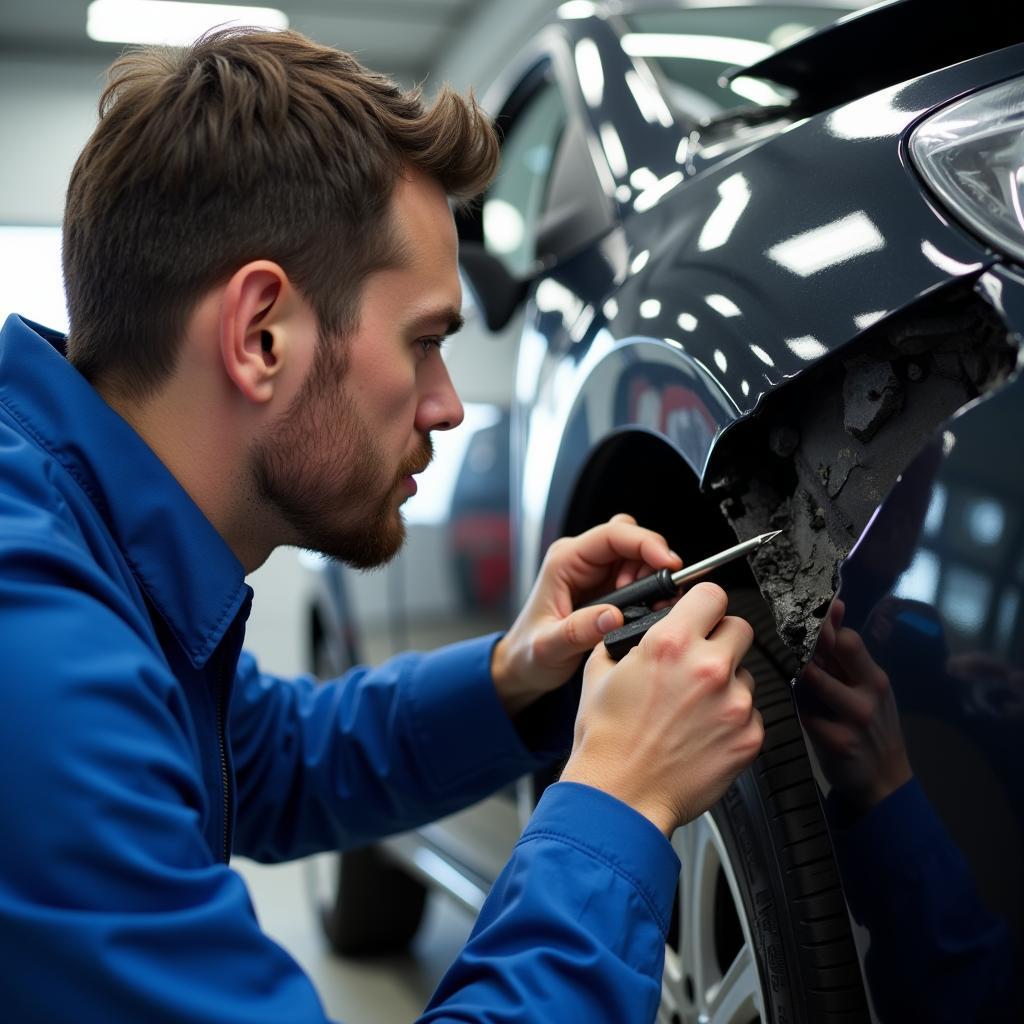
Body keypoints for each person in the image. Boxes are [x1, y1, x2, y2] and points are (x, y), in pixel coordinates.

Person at [0, 28, 763, 1024]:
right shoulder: (39, 671)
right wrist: (616, 811)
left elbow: (269, 756)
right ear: (260, 334)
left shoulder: (77, 547)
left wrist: (513, 674)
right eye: (425, 341)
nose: (448, 405)